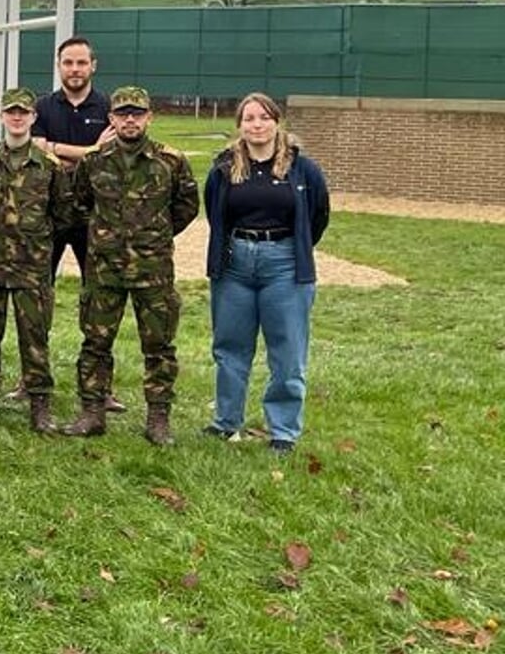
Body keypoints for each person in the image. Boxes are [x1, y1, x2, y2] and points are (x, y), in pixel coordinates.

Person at [64, 86, 199, 444]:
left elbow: (186, 207)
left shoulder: (170, 161)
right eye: (122, 114)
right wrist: (106, 235)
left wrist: (153, 234)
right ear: (111, 119)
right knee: (95, 342)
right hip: (104, 270)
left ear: (149, 117)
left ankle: (158, 419)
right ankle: (92, 412)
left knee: (159, 346)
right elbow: (79, 205)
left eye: (136, 114)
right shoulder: (94, 161)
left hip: (152, 272)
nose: (129, 120)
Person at [203, 93, 330, 454]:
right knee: (229, 347)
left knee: (287, 351)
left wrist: (288, 247)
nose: (256, 125)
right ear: (239, 125)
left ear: (277, 121)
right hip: (235, 265)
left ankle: (283, 430)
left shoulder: (303, 169)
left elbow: (318, 215)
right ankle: (226, 422)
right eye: (248, 119)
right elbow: (215, 211)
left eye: (263, 118)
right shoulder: (224, 168)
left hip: (285, 265)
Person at [0, 88, 74, 434]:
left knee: (35, 336)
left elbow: (63, 215)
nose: (16, 118)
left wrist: (37, 243)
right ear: (2, 116)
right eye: (11, 112)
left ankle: (40, 403)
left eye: (23, 113)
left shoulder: (49, 166)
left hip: (32, 267)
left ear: (32, 118)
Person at [31, 35, 126, 413]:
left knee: (100, 302)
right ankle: (32, 380)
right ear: (59, 65)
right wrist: (89, 151)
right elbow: (35, 147)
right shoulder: (42, 106)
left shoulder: (109, 108)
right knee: (37, 299)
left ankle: (101, 387)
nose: (74, 70)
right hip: (50, 216)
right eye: (68, 63)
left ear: (93, 66)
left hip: (95, 219)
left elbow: (116, 154)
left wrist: (56, 149)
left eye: (81, 63)